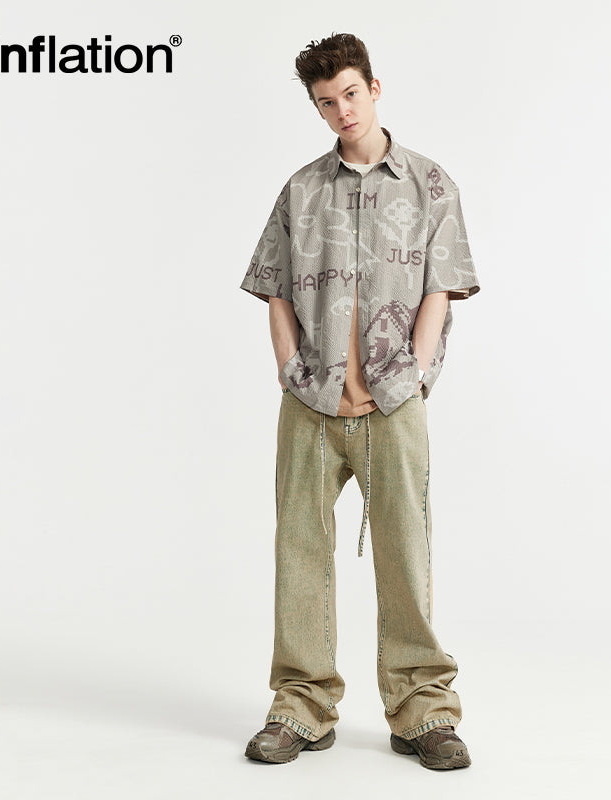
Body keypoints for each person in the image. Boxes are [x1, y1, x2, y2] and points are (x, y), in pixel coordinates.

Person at [240, 32, 480, 770]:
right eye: (326, 102)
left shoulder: (430, 184)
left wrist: (415, 375)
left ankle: (423, 711)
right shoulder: (301, 190)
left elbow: (441, 288)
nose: (341, 110)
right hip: (311, 406)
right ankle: (300, 707)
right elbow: (275, 287)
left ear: (374, 88)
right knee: (299, 553)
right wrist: (291, 370)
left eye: (349, 93)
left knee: (406, 554)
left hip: (393, 404)